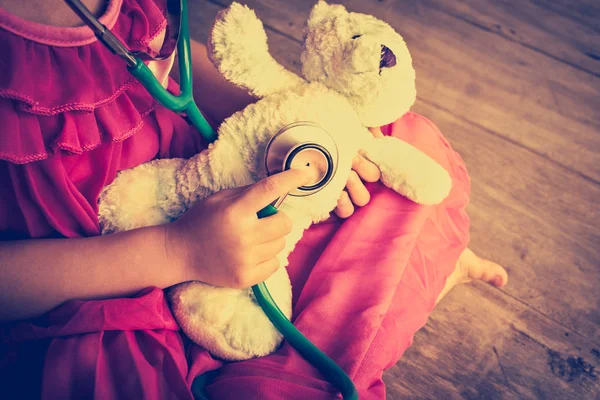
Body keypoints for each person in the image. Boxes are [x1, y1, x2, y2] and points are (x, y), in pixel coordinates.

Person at [0, 0, 508, 398]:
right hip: (94, 284)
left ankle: (419, 272)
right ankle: (413, 282)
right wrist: (179, 252)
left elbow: (171, 66)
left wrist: (301, 125)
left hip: (209, 173)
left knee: (403, 147)